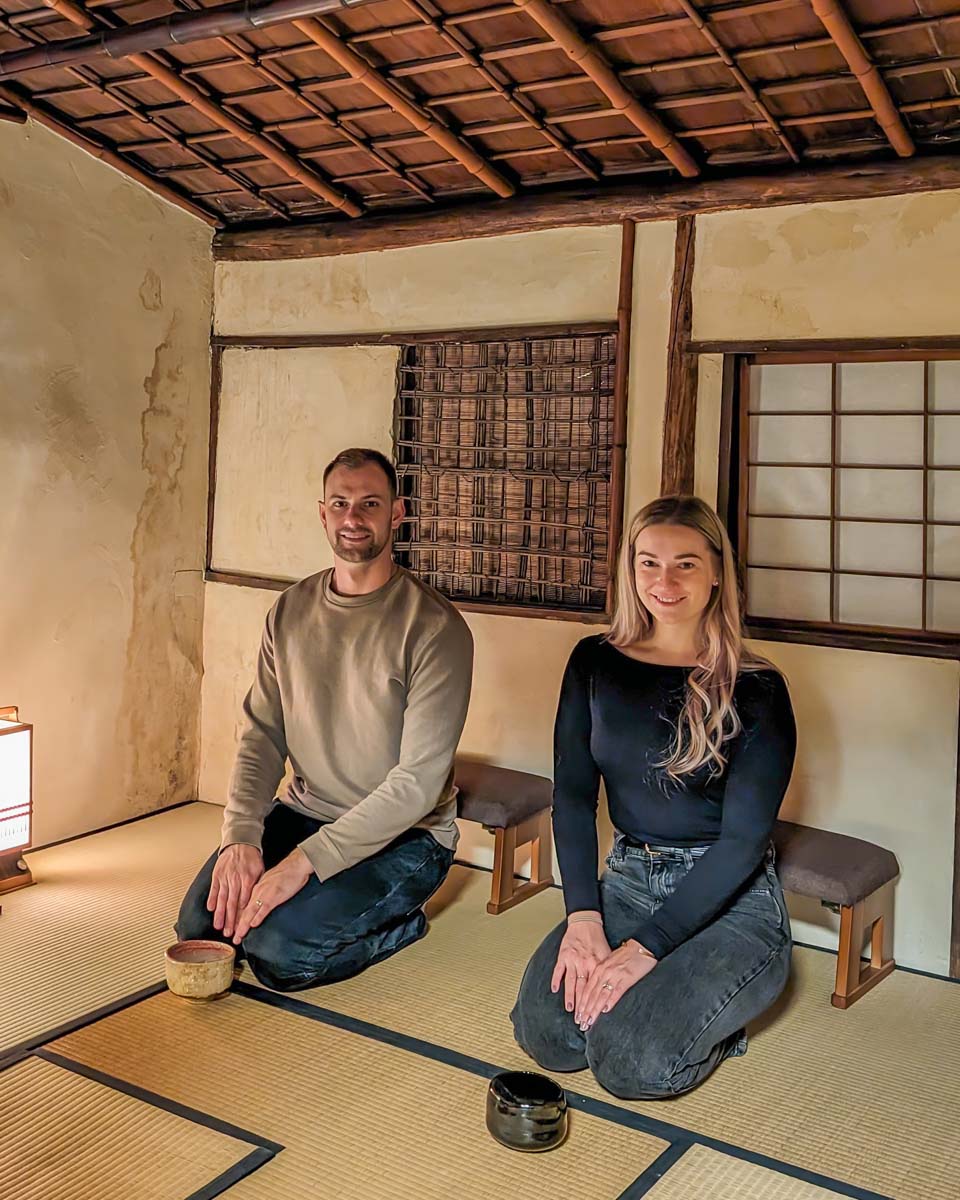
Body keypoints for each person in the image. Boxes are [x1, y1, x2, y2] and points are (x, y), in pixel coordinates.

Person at [511, 494, 796, 1099]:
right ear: (630, 567)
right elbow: (573, 797)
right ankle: (659, 999)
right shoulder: (594, 662)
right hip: (629, 879)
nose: (663, 581)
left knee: (633, 1066)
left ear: (718, 572)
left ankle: (714, 1016)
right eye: (648, 562)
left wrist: (647, 949)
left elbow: (743, 843)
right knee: (547, 1037)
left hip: (732, 902)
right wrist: (583, 918)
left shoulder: (758, 688)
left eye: (685, 564)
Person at [177, 448, 473, 991]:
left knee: (278, 956)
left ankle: (400, 927)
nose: (353, 518)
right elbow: (261, 733)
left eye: (369, 504)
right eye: (340, 503)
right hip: (305, 810)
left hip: (406, 836)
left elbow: (418, 784)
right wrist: (242, 836)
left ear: (396, 513)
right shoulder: (290, 610)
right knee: (203, 929)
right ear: (323, 513)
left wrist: (302, 863)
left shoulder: (434, 627)